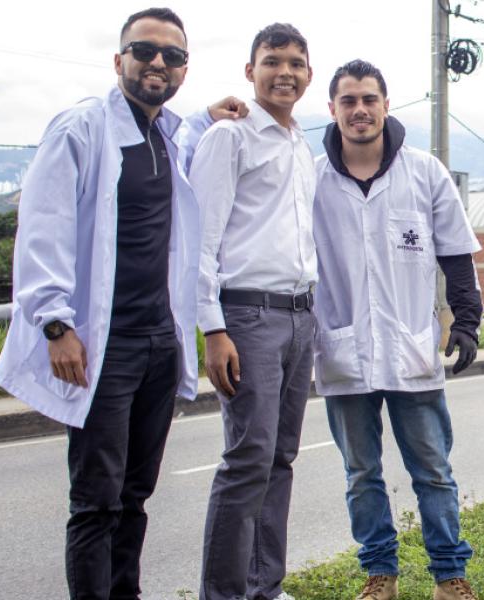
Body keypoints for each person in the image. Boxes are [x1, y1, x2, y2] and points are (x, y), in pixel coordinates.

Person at [0, 7, 246, 600]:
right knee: (96, 500)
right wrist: (55, 323)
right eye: (144, 51)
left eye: (173, 55)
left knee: (135, 496)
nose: (158, 63)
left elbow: (185, 148)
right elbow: (44, 226)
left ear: (184, 69)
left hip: (160, 342)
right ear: (118, 60)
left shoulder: (164, 135)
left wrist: (209, 115)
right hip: (103, 346)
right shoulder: (81, 128)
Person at [312, 59, 483, 600]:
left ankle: (449, 576)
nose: (359, 110)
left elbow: (456, 255)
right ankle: (379, 574)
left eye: (369, 99)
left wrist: (467, 322)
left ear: (386, 105)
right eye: (348, 101)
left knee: (432, 470)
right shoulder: (310, 179)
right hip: (344, 350)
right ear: (333, 109)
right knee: (361, 474)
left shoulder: (424, 172)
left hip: (412, 348)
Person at [189, 23, 317, 600]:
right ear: (250, 71)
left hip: (299, 317)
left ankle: (264, 587)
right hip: (247, 317)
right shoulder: (230, 137)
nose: (284, 72)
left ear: (308, 74)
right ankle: (223, 594)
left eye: (295, 63)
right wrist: (213, 328)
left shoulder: (300, 145)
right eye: (272, 61)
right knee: (247, 460)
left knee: (280, 459)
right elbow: (202, 239)